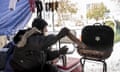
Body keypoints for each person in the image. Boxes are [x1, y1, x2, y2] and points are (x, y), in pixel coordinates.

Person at [10, 17, 87, 72]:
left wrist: (59, 52)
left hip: (36, 67)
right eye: (45, 28)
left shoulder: (38, 40)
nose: (46, 30)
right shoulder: (28, 38)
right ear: (40, 28)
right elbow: (43, 42)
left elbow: (46, 55)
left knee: (52, 68)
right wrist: (59, 36)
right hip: (22, 69)